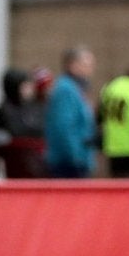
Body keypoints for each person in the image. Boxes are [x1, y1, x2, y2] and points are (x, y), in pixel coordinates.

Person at [44, 46, 99, 178]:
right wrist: (75, 157)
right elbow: (64, 126)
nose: (91, 69)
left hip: (78, 158)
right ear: (73, 65)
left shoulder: (76, 89)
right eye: (87, 65)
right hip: (70, 163)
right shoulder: (66, 90)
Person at [0, 67, 49, 180]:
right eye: (25, 86)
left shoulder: (34, 107)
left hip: (37, 167)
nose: (30, 89)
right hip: (15, 169)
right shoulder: (1, 113)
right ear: (16, 86)